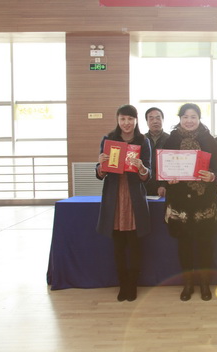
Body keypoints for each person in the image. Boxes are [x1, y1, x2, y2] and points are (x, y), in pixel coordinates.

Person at [162, 103, 217, 302]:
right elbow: (161, 168)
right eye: (185, 117)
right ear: (180, 119)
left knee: (206, 244)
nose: (189, 120)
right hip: (180, 201)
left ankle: (205, 283)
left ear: (199, 119)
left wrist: (212, 176)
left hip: (203, 201)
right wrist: (167, 179)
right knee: (184, 245)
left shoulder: (209, 140)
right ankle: (188, 284)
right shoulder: (171, 139)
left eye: (193, 116)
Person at [95, 104, 152, 302]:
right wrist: (101, 164)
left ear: (136, 120)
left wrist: (142, 168)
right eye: (123, 119)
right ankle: (123, 284)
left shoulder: (143, 141)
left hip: (134, 199)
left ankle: (133, 285)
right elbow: (100, 173)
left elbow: (148, 175)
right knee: (118, 247)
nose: (126, 123)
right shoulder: (109, 139)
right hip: (115, 199)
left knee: (135, 247)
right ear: (118, 120)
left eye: (130, 119)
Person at [144, 107, 170, 197]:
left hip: (165, 188)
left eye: (158, 118)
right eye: (151, 118)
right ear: (147, 121)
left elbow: (173, 166)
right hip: (144, 187)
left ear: (163, 120)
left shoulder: (171, 139)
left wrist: (164, 185)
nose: (155, 121)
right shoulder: (141, 140)